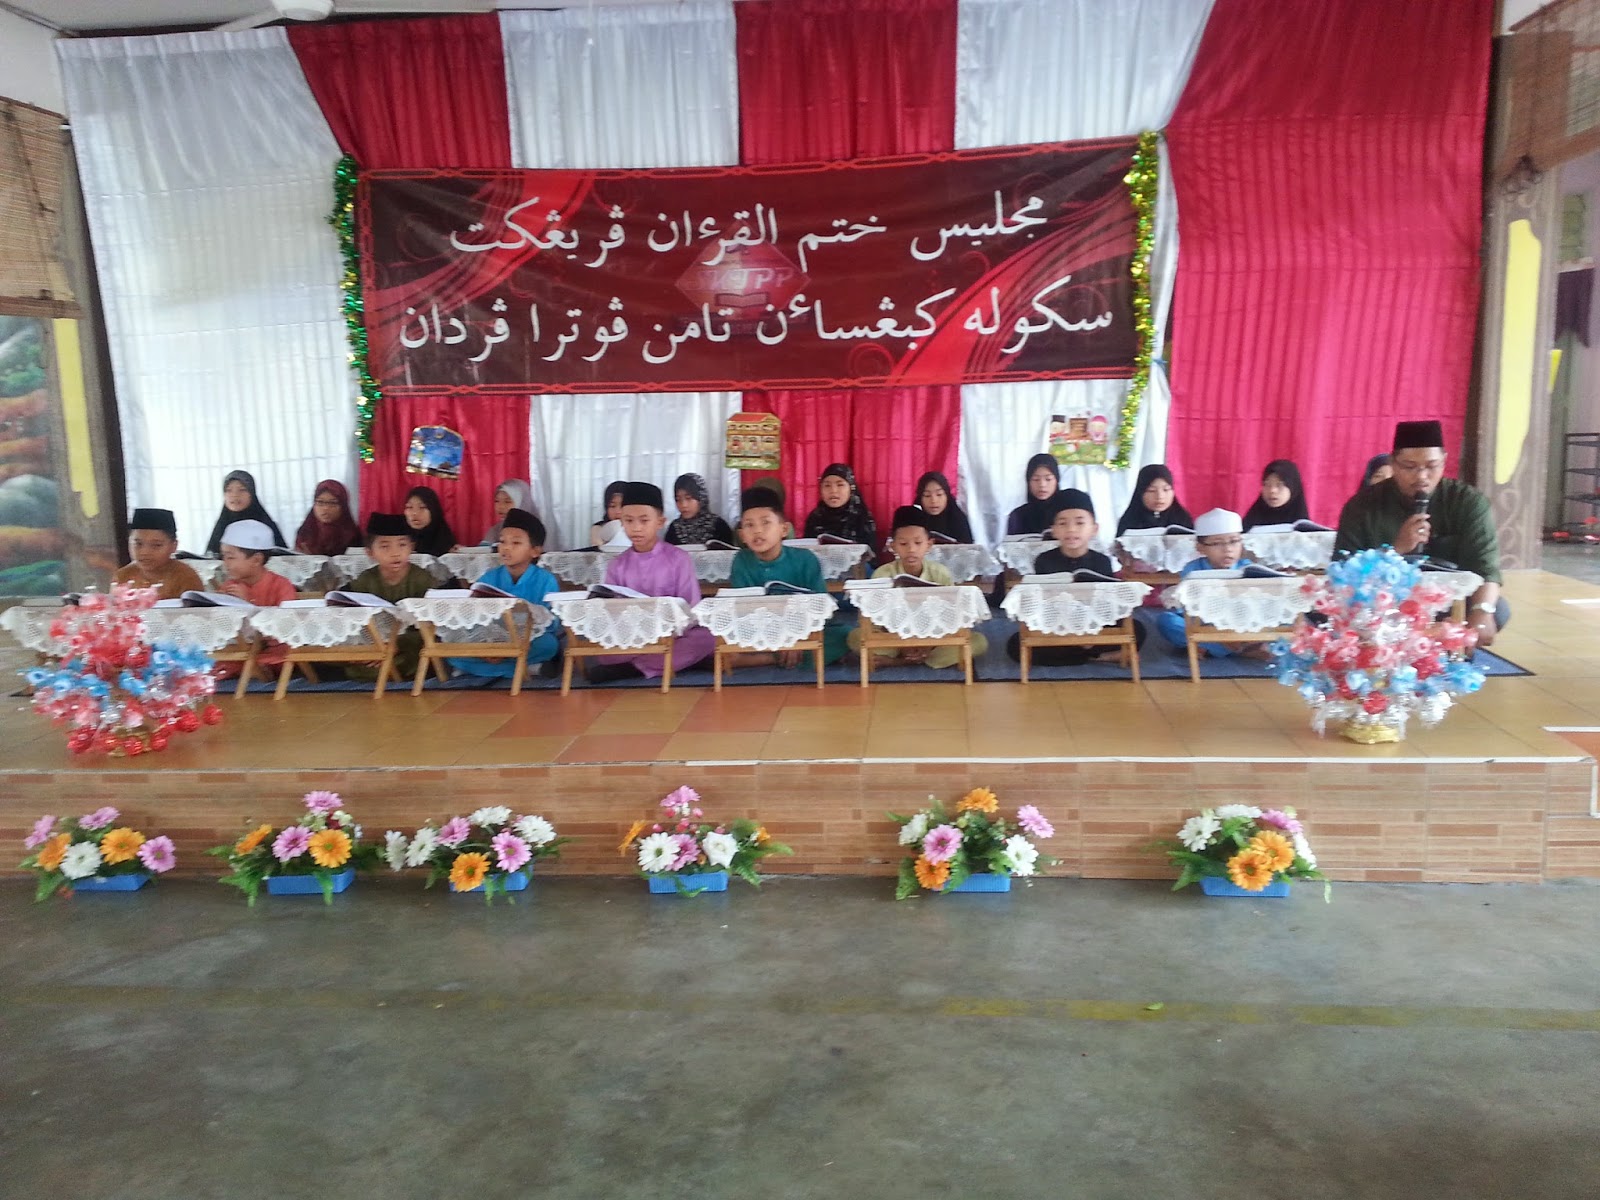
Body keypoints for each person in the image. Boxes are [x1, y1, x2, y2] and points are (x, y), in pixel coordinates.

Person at [1335, 420, 1507, 645]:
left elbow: (1486, 566)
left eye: (1431, 466)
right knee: (1327, 612)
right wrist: (1396, 549)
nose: (1422, 476)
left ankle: (1444, 648)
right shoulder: (1362, 506)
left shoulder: (1467, 502)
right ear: (1393, 464)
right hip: (1383, 603)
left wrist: (1482, 611)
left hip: (1446, 603)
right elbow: (1343, 571)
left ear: (1444, 462)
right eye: (1410, 467)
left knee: (1497, 610)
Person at [587, 482, 715, 683]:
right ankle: (675, 661)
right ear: (621, 523)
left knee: (707, 638)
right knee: (603, 647)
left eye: (644, 520)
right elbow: (611, 611)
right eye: (629, 521)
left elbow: (691, 608)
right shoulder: (617, 565)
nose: (636, 528)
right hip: (634, 634)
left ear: (660, 522)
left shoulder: (679, 559)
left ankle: (634, 668)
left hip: (673, 634)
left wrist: (669, 630)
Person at [1005, 490, 1146, 665]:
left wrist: (1091, 628)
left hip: (1095, 624)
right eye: (1063, 523)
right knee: (1016, 645)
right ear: (1054, 530)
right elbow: (1044, 605)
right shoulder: (1044, 560)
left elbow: (1107, 604)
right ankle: (1099, 657)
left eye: (1080, 523)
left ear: (1094, 529)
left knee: (1137, 629)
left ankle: (1085, 654)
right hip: (1059, 625)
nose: (1071, 529)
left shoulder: (1102, 561)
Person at [847, 506, 989, 668]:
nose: (911, 549)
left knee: (978, 641)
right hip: (893, 638)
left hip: (933, 638)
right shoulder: (882, 573)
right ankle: (914, 659)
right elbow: (874, 617)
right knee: (855, 637)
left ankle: (897, 661)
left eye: (918, 543)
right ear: (893, 546)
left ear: (929, 545)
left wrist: (927, 644)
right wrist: (904, 643)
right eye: (903, 543)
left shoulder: (940, 573)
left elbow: (950, 615)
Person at [725, 486, 849, 669]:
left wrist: (796, 637)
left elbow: (821, 607)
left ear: (784, 529)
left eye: (765, 523)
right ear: (742, 535)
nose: (757, 531)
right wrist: (781, 638)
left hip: (804, 631)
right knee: (721, 641)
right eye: (749, 525)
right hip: (761, 630)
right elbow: (742, 613)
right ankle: (789, 656)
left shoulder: (806, 559)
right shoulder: (741, 561)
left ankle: (767, 658)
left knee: (847, 635)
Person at [447, 508, 562, 680]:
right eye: (502, 541)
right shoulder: (489, 577)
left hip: (527, 639)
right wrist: (491, 645)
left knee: (548, 644)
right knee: (450, 643)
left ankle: (476, 669)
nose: (506, 548)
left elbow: (552, 623)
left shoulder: (546, 580)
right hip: (490, 638)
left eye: (516, 543)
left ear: (535, 551)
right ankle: (529, 668)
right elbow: (474, 615)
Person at [1154, 508, 1272, 659]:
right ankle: (1232, 647)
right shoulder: (1192, 569)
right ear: (1200, 547)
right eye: (1217, 543)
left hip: (1239, 624)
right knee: (1167, 621)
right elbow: (1192, 608)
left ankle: (1209, 646)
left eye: (1234, 541)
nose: (1227, 549)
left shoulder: (1249, 569)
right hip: (1204, 623)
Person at [345, 513, 439, 682]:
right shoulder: (365, 580)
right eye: (385, 547)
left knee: (408, 658)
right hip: (375, 642)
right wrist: (372, 646)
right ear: (370, 552)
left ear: (411, 547)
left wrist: (396, 644)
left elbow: (430, 624)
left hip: (408, 645)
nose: (395, 553)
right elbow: (355, 618)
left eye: (402, 545)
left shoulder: (422, 579)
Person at [215, 519, 296, 677]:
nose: (225, 563)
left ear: (257, 560)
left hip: (274, 650)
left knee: (274, 660)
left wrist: (248, 605)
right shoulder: (229, 586)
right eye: (223, 556)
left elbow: (286, 627)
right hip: (242, 650)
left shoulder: (281, 585)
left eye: (230, 557)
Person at [114, 508, 204, 600]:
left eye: (156, 545)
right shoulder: (123, 576)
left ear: (174, 546)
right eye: (138, 544)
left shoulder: (186, 577)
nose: (145, 552)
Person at [204, 470, 285, 557]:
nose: (235, 495)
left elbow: (284, 559)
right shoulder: (220, 527)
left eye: (242, 490)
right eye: (228, 490)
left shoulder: (266, 526)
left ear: (252, 494)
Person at [804, 463, 877, 547]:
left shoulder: (862, 517)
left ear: (851, 488)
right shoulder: (815, 517)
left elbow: (870, 552)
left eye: (840, 485)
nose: (833, 491)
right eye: (827, 485)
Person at [1117, 464, 1194, 535]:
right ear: (1140, 492)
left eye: (1166, 489)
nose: (1160, 496)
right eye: (1152, 490)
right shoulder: (1130, 520)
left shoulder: (1183, 518)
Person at [665, 472, 736, 546]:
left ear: (701, 498)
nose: (683, 505)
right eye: (678, 499)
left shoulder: (719, 526)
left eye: (688, 498)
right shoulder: (674, 528)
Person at [294, 480, 361, 556]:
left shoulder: (353, 535)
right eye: (320, 502)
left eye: (333, 503)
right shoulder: (304, 532)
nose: (325, 508)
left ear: (343, 507)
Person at [1242, 460, 1311, 530]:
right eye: (1267, 484)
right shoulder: (1250, 521)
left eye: (1280, 485)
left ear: (1293, 488)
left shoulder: (1306, 529)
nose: (1272, 490)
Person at [1005, 454, 1061, 536]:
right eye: (1036, 479)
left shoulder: (1066, 512)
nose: (1042, 485)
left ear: (1057, 480)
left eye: (1048, 479)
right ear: (1028, 482)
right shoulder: (1018, 516)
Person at [915, 471, 974, 543]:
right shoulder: (913, 520)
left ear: (947, 496)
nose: (933, 500)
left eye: (939, 494)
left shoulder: (958, 520)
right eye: (927, 495)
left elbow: (968, 546)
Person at [479, 479, 536, 548]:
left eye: (507, 502)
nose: (501, 506)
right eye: (497, 501)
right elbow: (483, 550)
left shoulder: (535, 529)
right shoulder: (496, 530)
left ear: (522, 502)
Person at [403, 485, 457, 557]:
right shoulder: (400, 539)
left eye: (422, 507)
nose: (414, 513)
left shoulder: (446, 541)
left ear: (433, 510)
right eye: (409, 507)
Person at [745, 475, 797, 541]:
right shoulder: (743, 526)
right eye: (750, 525)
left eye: (766, 522)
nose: (758, 530)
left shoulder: (785, 526)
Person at [590, 480, 627, 548]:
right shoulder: (598, 528)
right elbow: (599, 550)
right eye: (612, 506)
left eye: (622, 506)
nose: (618, 511)